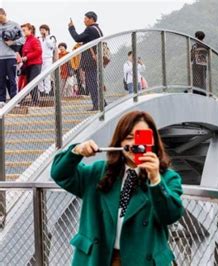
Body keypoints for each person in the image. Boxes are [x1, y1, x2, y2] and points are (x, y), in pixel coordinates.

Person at [51, 111, 184, 265]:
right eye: (128, 138)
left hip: (142, 260)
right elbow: (60, 174)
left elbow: (171, 215)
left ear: (152, 141)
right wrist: (76, 152)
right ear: (120, 143)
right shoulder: (98, 172)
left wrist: (155, 179)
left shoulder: (167, 178)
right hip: (99, 258)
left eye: (141, 137)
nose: (135, 144)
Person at [68, 11, 104, 111]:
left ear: (91, 19)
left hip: (90, 60)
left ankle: (97, 104)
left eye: (85, 18)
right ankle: (102, 102)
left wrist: (71, 28)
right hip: (95, 59)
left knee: (91, 82)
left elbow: (77, 38)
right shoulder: (97, 29)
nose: (84, 21)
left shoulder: (90, 29)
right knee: (94, 81)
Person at [0, 8, 24, 108]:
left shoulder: (14, 24)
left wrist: (12, 42)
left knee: (12, 79)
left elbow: (23, 39)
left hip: (10, 56)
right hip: (0, 57)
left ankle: (14, 100)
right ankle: (1, 100)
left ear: (4, 14)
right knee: (0, 79)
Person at [20, 23, 43, 106]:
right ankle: (23, 100)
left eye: (24, 30)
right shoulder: (26, 41)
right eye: (22, 30)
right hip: (28, 65)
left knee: (32, 83)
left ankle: (35, 102)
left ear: (30, 30)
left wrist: (27, 57)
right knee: (28, 83)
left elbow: (39, 51)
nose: (22, 32)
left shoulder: (34, 40)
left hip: (35, 64)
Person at [38, 24, 56, 96]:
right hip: (40, 59)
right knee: (39, 75)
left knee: (47, 76)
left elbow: (51, 46)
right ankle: (41, 90)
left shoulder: (51, 38)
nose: (41, 31)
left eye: (43, 30)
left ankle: (47, 91)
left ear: (47, 30)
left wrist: (46, 37)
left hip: (48, 59)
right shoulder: (39, 38)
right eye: (40, 30)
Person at [190, 31, 208, 95]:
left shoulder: (195, 46)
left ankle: (196, 92)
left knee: (196, 80)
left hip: (196, 64)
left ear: (197, 37)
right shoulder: (206, 46)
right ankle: (203, 92)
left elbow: (191, 57)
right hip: (204, 64)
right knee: (203, 79)